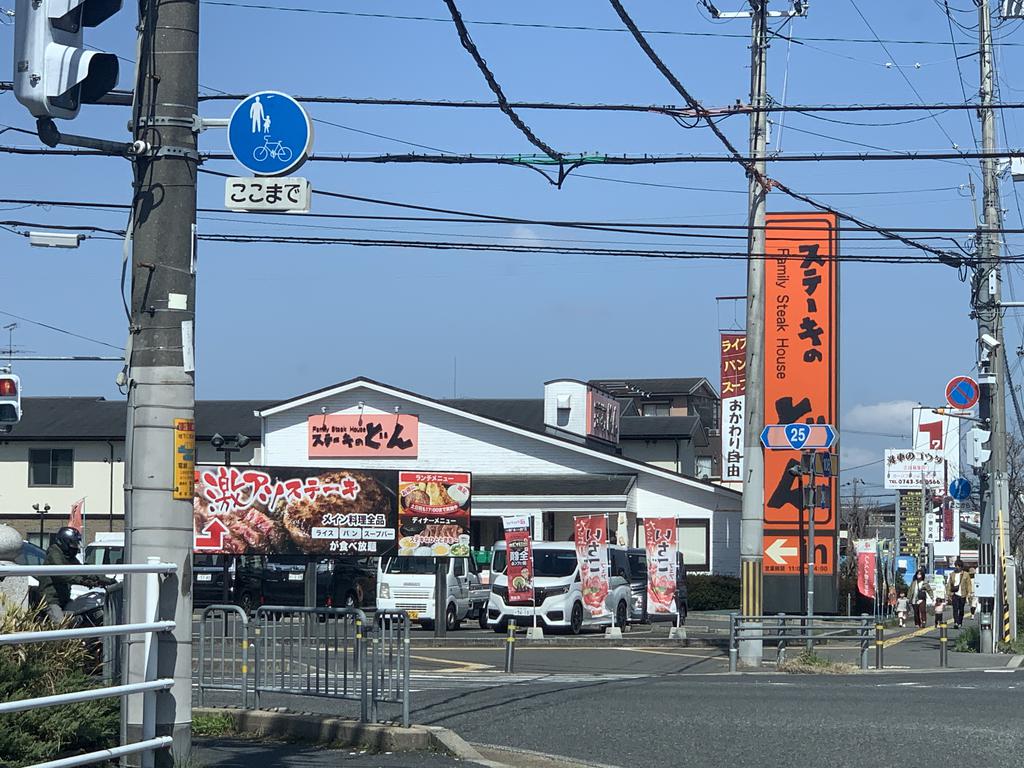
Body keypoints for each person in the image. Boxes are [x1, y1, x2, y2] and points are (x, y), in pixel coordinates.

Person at [36, 527, 114, 624]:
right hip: (51, 600)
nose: (75, 547)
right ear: (64, 542)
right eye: (73, 543)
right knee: (61, 624)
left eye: (76, 544)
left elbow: (81, 570)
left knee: (83, 613)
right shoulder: (54, 554)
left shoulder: (68, 555)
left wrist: (104, 579)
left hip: (64, 598)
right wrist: (83, 581)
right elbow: (62, 573)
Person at [945, 558, 974, 629]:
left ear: (961, 566)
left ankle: (960, 621)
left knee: (961, 609)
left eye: (958, 566)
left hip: (963, 594)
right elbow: (949, 584)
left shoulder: (966, 574)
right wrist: (948, 593)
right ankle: (956, 622)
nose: (957, 567)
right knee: (955, 609)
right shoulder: (952, 574)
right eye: (956, 566)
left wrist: (969, 592)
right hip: (954, 594)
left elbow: (969, 584)